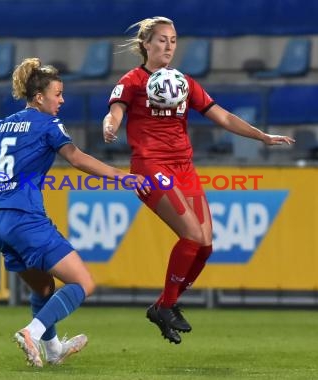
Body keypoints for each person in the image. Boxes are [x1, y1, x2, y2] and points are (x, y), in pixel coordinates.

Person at [102, 17, 295, 344]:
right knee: (191, 235)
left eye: (173, 41)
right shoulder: (133, 80)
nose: (168, 46)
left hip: (183, 167)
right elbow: (116, 110)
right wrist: (110, 125)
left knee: (205, 245)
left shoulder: (183, 83)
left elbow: (222, 116)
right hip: (150, 166)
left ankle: (164, 305)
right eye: (161, 40)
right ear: (146, 44)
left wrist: (260, 136)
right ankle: (166, 306)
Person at [0, 57, 150, 367]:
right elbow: (77, 158)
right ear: (39, 97)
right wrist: (124, 177)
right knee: (83, 283)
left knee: (45, 288)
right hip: (26, 218)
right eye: (57, 94)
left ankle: (53, 351)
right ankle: (31, 332)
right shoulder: (48, 124)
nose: (62, 100)